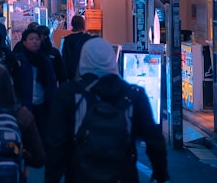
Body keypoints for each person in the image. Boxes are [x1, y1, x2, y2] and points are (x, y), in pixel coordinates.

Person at [45, 38, 170, 183]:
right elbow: (154, 140)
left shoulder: (69, 93)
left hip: (80, 175)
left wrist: (51, 178)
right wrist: (160, 174)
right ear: (112, 60)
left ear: (84, 59)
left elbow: (56, 143)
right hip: (123, 174)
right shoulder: (134, 94)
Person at [13, 27, 57, 139]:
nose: (35, 41)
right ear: (24, 42)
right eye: (31, 39)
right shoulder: (18, 61)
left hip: (42, 106)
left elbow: (51, 84)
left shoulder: (45, 61)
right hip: (23, 106)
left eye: (37, 39)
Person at [60, 15, 95, 82]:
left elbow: (65, 58)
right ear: (83, 24)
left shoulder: (67, 39)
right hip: (86, 70)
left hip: (72, 72)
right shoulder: (88, 38)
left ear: (72, 24)